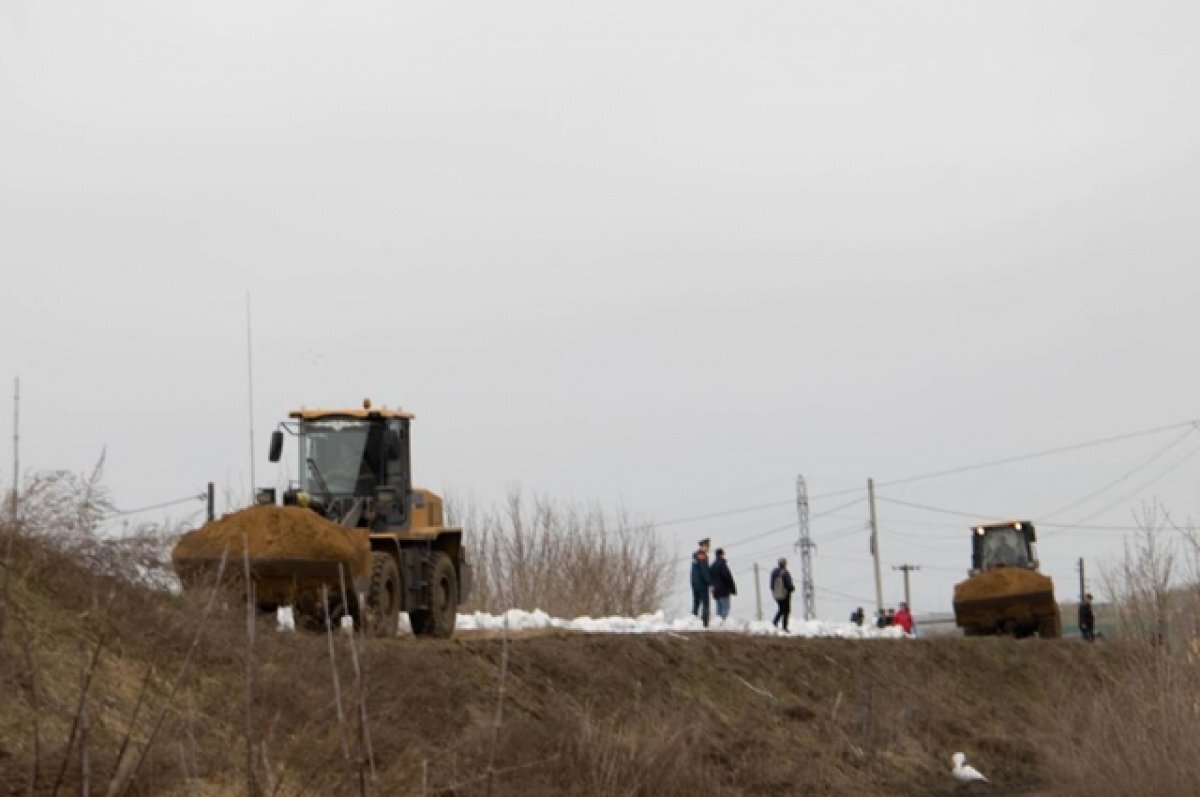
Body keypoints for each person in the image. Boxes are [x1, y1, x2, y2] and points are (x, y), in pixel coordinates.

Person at [709, 548, 737, 622]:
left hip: (716, 591)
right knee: (725, 608)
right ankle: (723, 623)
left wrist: (713, 589)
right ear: (721, 555)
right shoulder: (722, 565)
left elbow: (710, 579)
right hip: (724, 590)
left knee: (719, 609)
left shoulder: (712, 566)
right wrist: (733, 589)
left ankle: (718, 623)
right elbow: (727, 577)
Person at [690, 538, 712, 628]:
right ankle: (705, 624)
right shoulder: (702, 556)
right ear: (703, 546)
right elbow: (704, 571)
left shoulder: (695, 556)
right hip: (702, 584)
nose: (708, 548)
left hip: (694, 583)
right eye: (707, 546)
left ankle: (692, 621)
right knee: (705, 603)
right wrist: (709, 582)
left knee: (696, 602)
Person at [769, 557, 795, 632]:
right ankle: (784, 626)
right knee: (787, 610)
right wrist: (792, 589)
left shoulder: (774, 572)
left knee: (781, 609)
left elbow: (771, 585)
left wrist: (774, 591)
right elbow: (788, 584)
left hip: (776, 594)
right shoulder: (785, 573)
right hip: (785, 594)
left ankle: (775, 621)